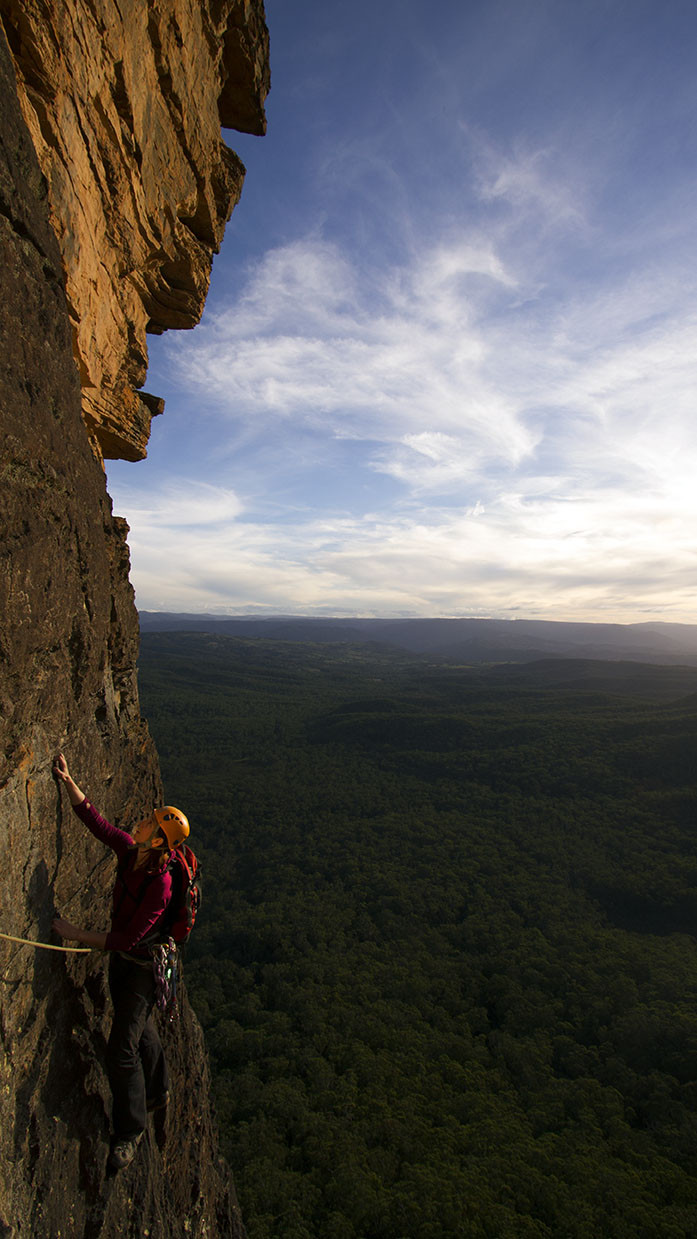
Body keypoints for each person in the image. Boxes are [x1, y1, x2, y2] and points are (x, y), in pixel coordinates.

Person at [52, 752, 190, 1171]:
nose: (142, 822)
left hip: (142, 969)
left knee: (121, 1051)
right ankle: (159, 1088)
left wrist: (78, 935)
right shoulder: (132, 853)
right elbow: (98, 824)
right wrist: (69, 780)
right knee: (140, 1024)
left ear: (159, 841)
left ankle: (130, 1131)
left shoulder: (161, 884)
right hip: (126, 964)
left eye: (151, 822)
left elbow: (130, 938)